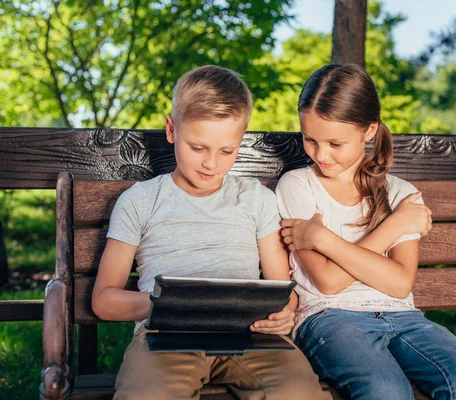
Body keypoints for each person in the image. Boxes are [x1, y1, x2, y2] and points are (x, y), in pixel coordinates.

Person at [91, 65, 331, 400]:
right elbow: (104, 301)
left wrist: (284, 313)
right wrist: (171, 305)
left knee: (299, 392)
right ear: (172, 130)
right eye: (198, 147)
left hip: (251, 338)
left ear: (240, 142)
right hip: (166, 339)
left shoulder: (256, 199)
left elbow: (283, 290)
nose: (211, 164)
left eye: (226, 151)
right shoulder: (140, 201)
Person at [275, 64, 456, 400]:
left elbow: (398, 283)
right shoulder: (298, 185)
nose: (321, 154)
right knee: (385, 389)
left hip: (405, 319)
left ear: (368, 131)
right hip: (330, 320)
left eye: (335, 143)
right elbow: (328, 282)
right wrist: (395, 225)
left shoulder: (401, 194)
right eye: (310, 139)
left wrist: (324, 239)